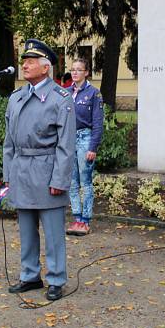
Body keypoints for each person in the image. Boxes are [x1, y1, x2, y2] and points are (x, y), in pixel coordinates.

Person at [3, 39, 76, 301]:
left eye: (30, 61)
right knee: (26, 229)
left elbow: (66, 145)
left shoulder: (60, 98)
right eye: (24, 61)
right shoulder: (17, 97)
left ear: (45, 68)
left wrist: (60, 179)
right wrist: (7, 174)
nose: (24, 65)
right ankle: (30, 275)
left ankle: (56, 278)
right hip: (22, 169)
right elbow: (9, 142)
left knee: (53, 231)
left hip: (46, 171)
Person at [66, 58, 104, 236]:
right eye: (72, 70)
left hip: (85, 139)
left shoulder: (93, 94)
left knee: (85, 182)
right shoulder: (66, 93)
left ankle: (86, 220)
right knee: (72, 182)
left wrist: (93, 147)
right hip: (69, 140)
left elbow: (98, 123)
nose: (74, 73)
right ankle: (76, 218)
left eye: (79, 70)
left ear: (86, 72)